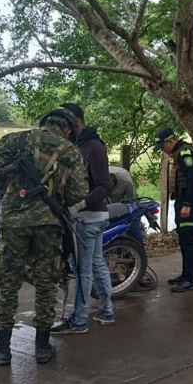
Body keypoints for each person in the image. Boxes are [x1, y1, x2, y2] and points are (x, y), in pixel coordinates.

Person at [0, 109, 88, 366]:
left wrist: (9, 186)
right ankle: (41, 347)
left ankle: (2, 349)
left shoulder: (17, 139)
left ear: (45, 123)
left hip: (12, 221)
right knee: (46, 282)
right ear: (68, 129)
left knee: (8, 283)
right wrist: (56, 189)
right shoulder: (70, 151)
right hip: (48, 223)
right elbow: (79, 193)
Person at [53, 102, 115, 333]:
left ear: (76, 122)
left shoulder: (94, 147)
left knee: (82, 270)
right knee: (97, 264)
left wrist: (79, 204)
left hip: (89, 217)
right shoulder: (80, 145)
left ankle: (79, 320)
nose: (63, 130)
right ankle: (107, 311)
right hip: (90, 217)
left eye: (65, 124)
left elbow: (104, 186)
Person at [155, 127, 193, 293]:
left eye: (162, 146)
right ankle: (185, 275)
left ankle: (190, 279)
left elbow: (192, 180)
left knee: (188, 241)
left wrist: (187, 204)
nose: (163, 151)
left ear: (170, 141)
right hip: (181, 200)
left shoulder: (184, 153)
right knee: (183, 239)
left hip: (188, 202)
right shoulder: (179, 152)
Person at [107, 165, 144, 243]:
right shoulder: (99, 178)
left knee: (134, 225)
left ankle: (138, 247)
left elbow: (132, 201)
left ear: (113, 183)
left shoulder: (126, 182)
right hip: (108, 206)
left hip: (126, 202)